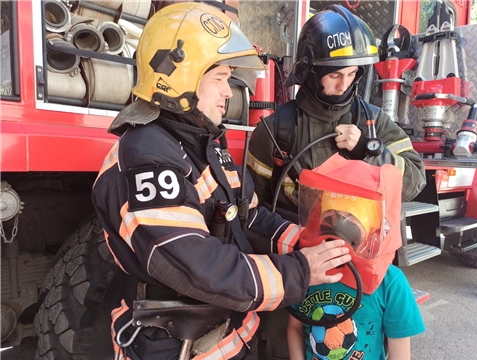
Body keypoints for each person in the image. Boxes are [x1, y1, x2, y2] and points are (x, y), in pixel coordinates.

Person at [91, 3, 352, 360]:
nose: (228, 92)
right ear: (178, 76)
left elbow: (249, 216)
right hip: (171, 344)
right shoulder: (146, 156)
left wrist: (312, 239)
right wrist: (302, 269)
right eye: (218, 78)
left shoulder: (203, 144)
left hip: (224, 336)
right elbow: (199, 266)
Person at [246, 5, 426, 359]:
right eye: (334, 75)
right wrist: (293, 249)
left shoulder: (375, 123)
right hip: (295, 269)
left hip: (363, 271)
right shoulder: (275, 131)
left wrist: (369, 150)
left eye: (351, 73)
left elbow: (415, 179)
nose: (344, 84)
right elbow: (252, 211)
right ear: (311, 73)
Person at [288, 159, 425, 360]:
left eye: (349, 217)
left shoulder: (390, 282)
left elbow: (400, 351)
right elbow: (294, 327)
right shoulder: (309, 269)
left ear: (372, 227)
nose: (336, 224)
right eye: (330, 214)